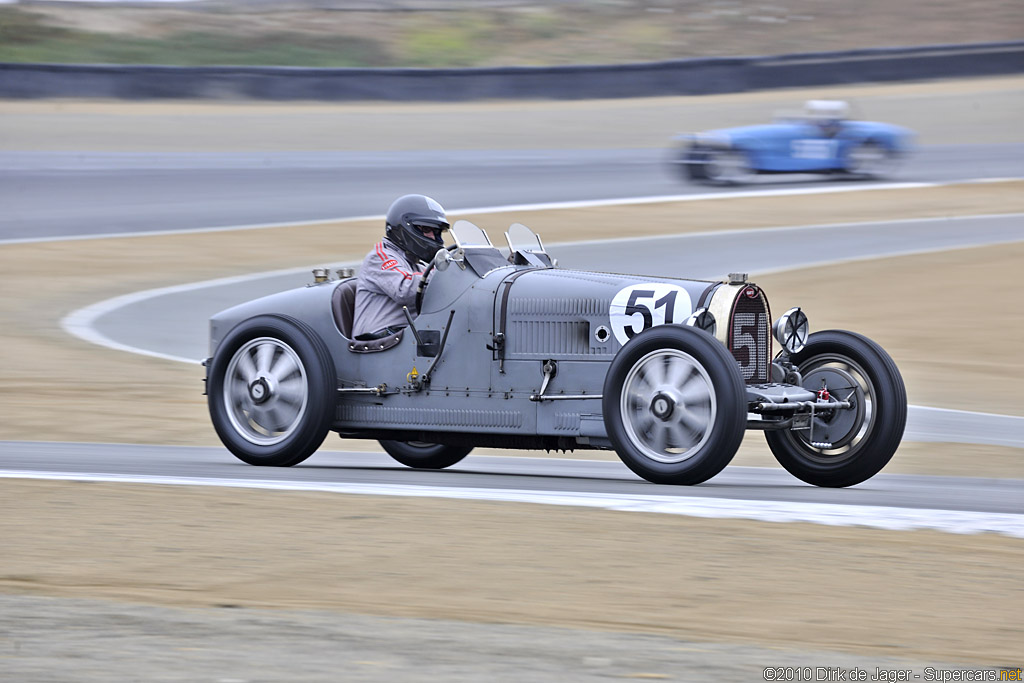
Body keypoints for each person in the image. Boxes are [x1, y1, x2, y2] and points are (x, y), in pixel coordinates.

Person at [352, 194, 449, 340]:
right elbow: (405, 290)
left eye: (437, 232)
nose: (434, 238)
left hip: (406, 339)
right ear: (405, 228)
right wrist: (446, 271)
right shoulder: (379, 257)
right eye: (427, 230)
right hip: (378, 340)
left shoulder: (417, 265)